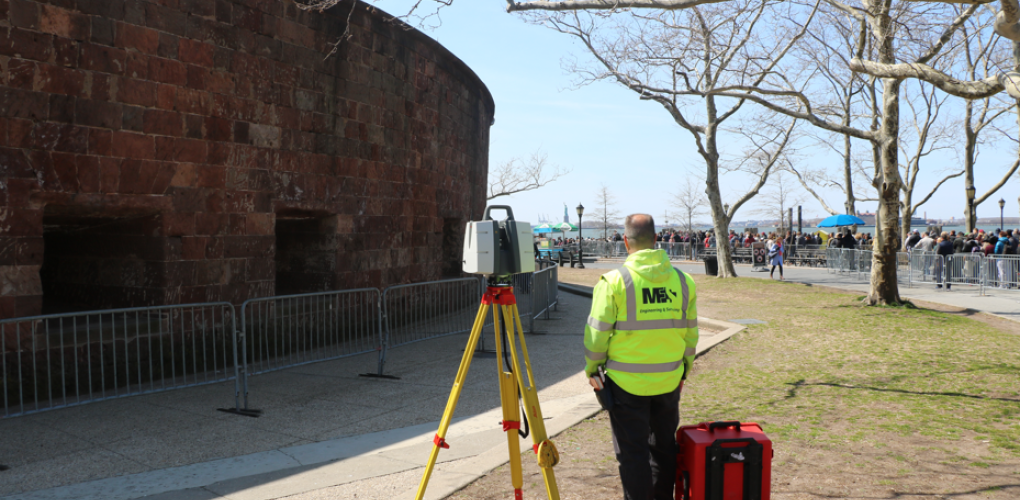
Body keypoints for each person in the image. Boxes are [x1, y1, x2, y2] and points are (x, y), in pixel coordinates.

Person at [584, 214, 698, 500]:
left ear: (625, 241)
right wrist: (683, 371)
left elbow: (597, 335)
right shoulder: (683, 282)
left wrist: (593, 369)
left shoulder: (613, 282)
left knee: (633, 454)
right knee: (663, 449)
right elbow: (690, 335)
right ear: (656, 239)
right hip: (669, 380)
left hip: (626, 384)